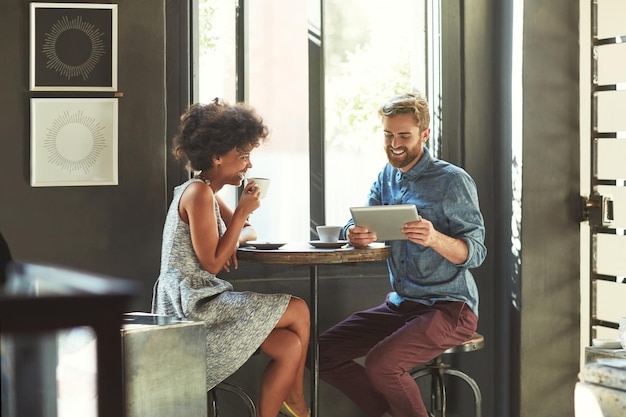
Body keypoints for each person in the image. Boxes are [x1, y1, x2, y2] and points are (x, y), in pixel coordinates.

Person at [317, 92, 486, 417]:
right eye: (388, 135)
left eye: (404, 136)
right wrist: (352, 232)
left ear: (424, 134)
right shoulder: (387, 177)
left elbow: (476, 252)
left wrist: (435, 237)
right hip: (402, 305)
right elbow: (358, 220)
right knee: (322, 353)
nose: (395, 143)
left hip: (450, 307)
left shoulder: (452, 181)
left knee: (383, 364)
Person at [151, 99, 311, 417]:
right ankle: (296, 399)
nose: (248, 166)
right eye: (243, 157)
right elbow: (211, 263)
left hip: (205, 299)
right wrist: (238, 215)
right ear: (217, 157)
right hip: (192, 307)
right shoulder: (197, 193)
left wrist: (235, 229)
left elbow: (249, 232)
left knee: (290, 347)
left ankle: (289, 400)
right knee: (298, 308)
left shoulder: (207, 192)